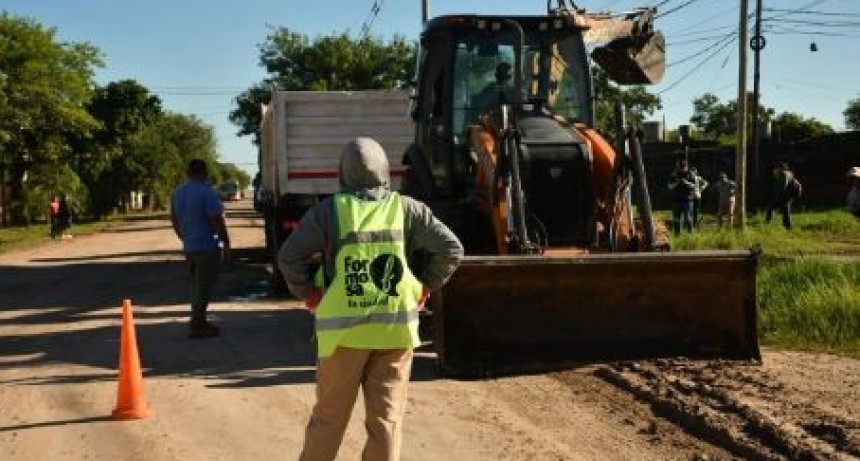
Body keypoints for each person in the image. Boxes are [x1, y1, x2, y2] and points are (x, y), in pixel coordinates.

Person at [279, 137, 463, 461]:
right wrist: (425, 286)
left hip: (343, 336)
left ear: (343, 172)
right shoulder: (407, 208)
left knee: (329, 419)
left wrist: (309, 294)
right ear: (384, 170)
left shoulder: (328, 212)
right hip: (394, 332)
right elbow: (451, 249)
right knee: (386, 422)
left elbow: (289, 257)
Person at [170, 159, 232, 338]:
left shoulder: (177, 193)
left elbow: (175, 220)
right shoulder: (207, 192)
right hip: (207, 246)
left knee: (195, 285)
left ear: (188, 173)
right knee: (205, 286)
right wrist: (226, 243)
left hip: (189, 247)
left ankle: (199, 321)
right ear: (204, 173)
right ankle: (197, 324)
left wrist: (185, 237)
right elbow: (217, 220)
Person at [667, 157, 697, 235]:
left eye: (683, 167)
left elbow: (695, 186)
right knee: (676, 219)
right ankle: (677, 235)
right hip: (676, 200)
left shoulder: (691, 174)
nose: (682, 169)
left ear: (686, 166)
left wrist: (686, 183)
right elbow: (669, 186)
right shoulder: (674, 174)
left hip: (687, 200)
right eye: (680, 167)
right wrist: (677, 183)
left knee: (688, 218)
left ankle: (690, 234)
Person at [765, 161, 798, 230]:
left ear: (780, 168)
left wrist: (777, 197)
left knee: (782, 208)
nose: (774, 170)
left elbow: (782, 187)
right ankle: (787, 226)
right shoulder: (787, 173)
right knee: (775, 207)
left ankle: (788, 226)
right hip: (790, 194)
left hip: (787, 194)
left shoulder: (784, 174)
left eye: (776, 168)